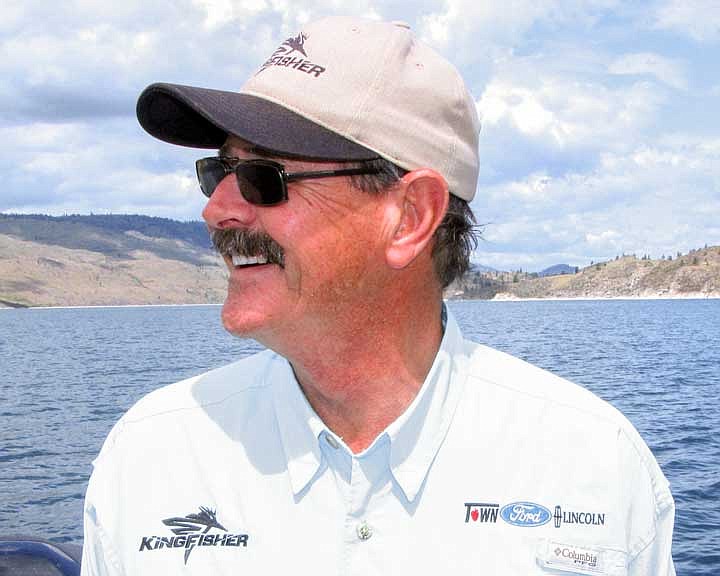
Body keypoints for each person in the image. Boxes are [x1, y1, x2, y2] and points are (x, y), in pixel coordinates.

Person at [81, 16, 675, 575]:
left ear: (411, 217)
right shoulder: (151, 454)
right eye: (219, 172)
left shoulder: (594, 463)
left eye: (263, 178)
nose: (215, 210)